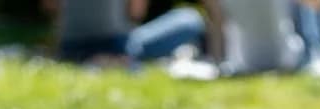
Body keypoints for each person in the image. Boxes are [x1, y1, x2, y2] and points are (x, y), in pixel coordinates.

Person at [41, 0, 221, 65]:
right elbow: (135, 13)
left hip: (69, 46)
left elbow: (50, 7)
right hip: (116, 46)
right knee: (190, 18)